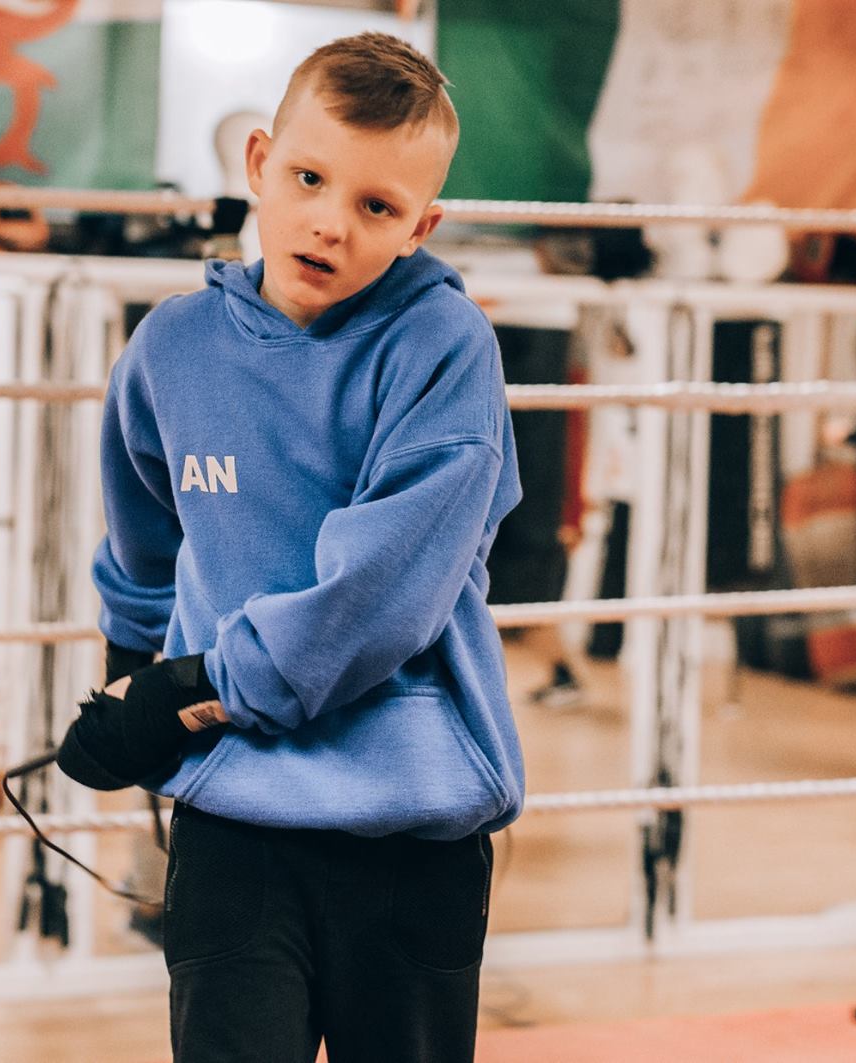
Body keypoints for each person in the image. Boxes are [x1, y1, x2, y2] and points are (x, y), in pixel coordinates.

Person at [56, 33, 523, 1063]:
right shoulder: (172, 348)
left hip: (411, 819)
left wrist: (191, 683)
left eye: (376, 206)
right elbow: (140, 537)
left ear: (419, 227)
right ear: (259, 163)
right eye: (310, 178)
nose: (329, 223)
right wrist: (129, 673)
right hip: (236, 815)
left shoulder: (443, 351)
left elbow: (379, 594)